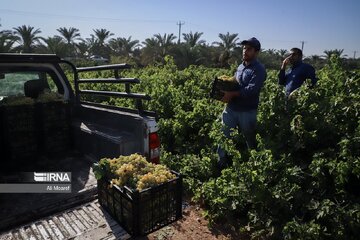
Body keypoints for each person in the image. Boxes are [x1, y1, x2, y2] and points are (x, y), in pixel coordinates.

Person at [217, 37, 266, 169]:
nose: (245, 51)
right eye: (244, 48)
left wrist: (231, 94)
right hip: (231, 108)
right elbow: (236, 83)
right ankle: (221, 161)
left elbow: (252, 89)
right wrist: (225, 87)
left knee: (249, 138)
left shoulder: (259, 69)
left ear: (256, 52)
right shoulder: (240, 67)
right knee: (224, 134)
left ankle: (255, 164)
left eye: (249, 49)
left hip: (247, 110)